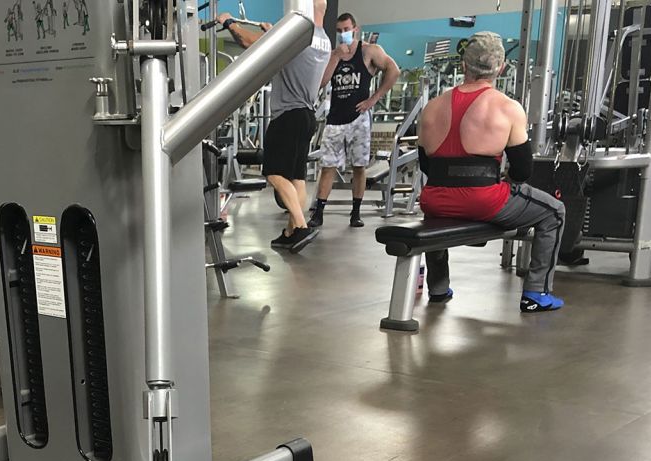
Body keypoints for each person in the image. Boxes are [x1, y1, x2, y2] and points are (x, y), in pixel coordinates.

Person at [417, 32, 565, 312]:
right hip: (484, 201)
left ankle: (438, 288)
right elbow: (522, 170)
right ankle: (536, 293)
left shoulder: (431, 108)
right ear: (501, 68)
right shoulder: (507, 108)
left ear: (463, 66)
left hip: (434, 198)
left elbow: (426, 166)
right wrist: (505, 182)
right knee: (555, 212)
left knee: (434, 211)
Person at [217, 0, 330, 253]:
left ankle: (300, 227)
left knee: (274, 174)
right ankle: (291, 232)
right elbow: (295, 58)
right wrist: (274, 36)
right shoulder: (324, 40)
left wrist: (228, 21)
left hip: (287, 116)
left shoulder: (298, 36)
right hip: (307, 116)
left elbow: (248, 42)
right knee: (296, 177)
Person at [309, 13, 399, 228]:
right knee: (327, 167)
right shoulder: (334, 54)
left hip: (359, 118)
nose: (343, 34)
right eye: (339, 31)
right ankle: (319, 213)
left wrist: (373, 99)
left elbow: (393, 70)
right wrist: (336, 57)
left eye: (346, 29)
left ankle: (355, 213)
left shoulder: (369, 51)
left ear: (355, 29)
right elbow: (321, 83)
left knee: (359, 167)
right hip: (335, 119)